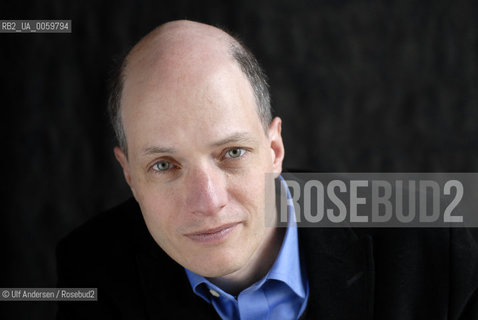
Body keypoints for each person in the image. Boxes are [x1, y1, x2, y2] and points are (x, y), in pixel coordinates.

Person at [57, 20, 478, 319]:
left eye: (232, 153)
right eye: (164, 165)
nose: (208, 201)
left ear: (274, 149)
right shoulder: (92, 268)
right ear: (129, 174)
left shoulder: (433, 233)